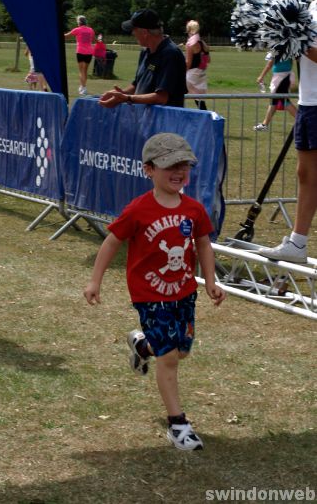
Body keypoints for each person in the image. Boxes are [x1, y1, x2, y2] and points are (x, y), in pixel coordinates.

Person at [84, 133, 226, 450]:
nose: (179, 172)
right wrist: (95, 280)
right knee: (170, 358)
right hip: (150, 296)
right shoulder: (138, 210)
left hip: (184, 293)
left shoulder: (194, 209)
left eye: (184, 165)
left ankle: (142, 346)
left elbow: (203, 242)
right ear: (149, 169)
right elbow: (112, 241)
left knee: (182, 350)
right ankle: (179, 426)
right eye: (169, 166)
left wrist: (211, 281)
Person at [259, 0, 317, 263]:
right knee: (305, 175)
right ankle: (298, 243)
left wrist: (297, 39)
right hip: (308, 102)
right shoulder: (311, 8)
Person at [99, 9, 186, 108]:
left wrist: (127, 98)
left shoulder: (171, 54)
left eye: (134, 29)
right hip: (146, 120)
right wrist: (121, 94)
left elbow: (162, 98)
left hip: (166, 121)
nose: (132, 33)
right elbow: (136, 84)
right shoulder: (145, 51)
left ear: (144, 32)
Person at [253, 54, 297, 132]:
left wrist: (261, 76)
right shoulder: (289, 46)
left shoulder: (277, 47)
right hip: (288, 75)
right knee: (273, 102)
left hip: (280, 78)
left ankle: (302, 121)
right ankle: (264, 124)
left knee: (285, 102)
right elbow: (291, 62)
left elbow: (269, 64)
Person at [64, 15, 95, 96]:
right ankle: (82, 87)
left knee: (81, 71)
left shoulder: (77, 29)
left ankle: (83, 88)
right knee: (85, 71)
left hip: (80, 51)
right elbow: (92, 39)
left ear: (79, 22)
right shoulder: (91, 30)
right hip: (89, 52)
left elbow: (66, 36)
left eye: (77, 21)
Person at [185, 20, 210, 111]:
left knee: (177, 92)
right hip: (201, 72)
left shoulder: (190, 44)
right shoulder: (203, 43)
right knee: (199, 99)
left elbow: (188, 62)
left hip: (191, 73)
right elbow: (208, 59)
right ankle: (205, 115)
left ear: (189, 30)